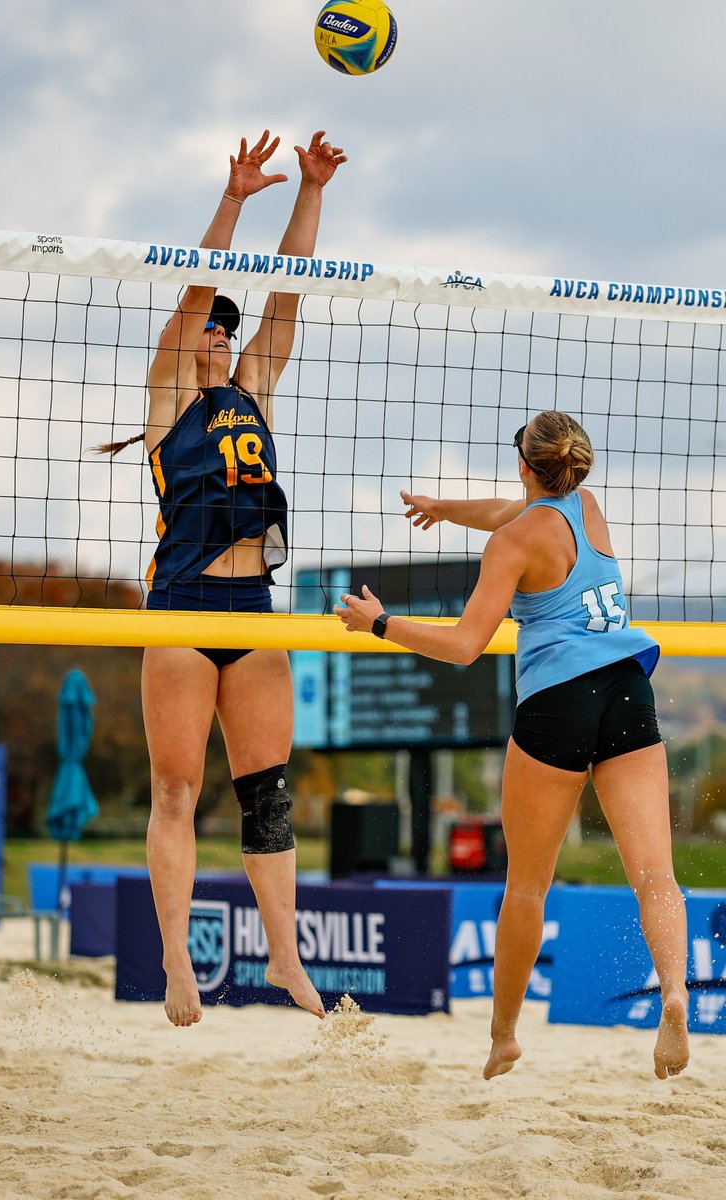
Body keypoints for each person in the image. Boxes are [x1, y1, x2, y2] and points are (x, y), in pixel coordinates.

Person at [334, 410, 689, 1081]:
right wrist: (445, 509)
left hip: (558, 702)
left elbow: (465, 646)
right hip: (626, 691)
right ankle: (673, 991)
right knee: (655, 875)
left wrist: (380, 623)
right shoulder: (588, 508)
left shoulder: (511, 544)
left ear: (523, 463)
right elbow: (513, 510)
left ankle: (503, 1036)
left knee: (527, 885)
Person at [100, 130, 346, 1027]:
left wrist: (310, 190)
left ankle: (286, 956)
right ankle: (177, 960)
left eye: (227, 328)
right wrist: (235, 198)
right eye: (212, 323)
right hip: (181, 607)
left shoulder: (255, 391)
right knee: (175, 790)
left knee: (267, 793)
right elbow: (197, 288)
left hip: (254, 608)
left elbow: (291, 290)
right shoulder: (170, 399)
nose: (221, 331)